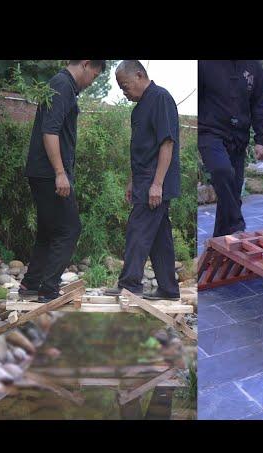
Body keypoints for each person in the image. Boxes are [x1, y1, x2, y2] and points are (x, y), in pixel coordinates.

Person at [20, 60, 107, 303]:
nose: (92, 82)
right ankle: (48, 290)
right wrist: (60, 173)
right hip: (50, 173)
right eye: (95, 75)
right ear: (86, 64)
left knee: (48, 231)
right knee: (70, 229)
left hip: (42, 171)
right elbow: (50, 131)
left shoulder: (62, 84)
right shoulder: (62, 85)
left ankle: (31, 283)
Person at [104, 60, 181, 300]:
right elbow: (140, 149)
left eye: (125, 86)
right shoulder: (138, 109)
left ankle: (130, 284)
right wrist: (131, 180)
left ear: (139, 75)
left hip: (154, 180)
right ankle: (169, 289)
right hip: (143, 179)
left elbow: (166, 142)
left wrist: (157, 184)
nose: (124, 92)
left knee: (137, 230)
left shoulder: (160, 98)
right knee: (160, 239)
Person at [198, 60, 263, 237]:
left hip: (238, 137)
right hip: (209, 132)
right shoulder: (203, 64)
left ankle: (220, 251)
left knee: (231, 192)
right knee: (222, 171)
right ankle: (237, 226)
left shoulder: (254, 66)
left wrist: (262, 139)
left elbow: (258, 104)